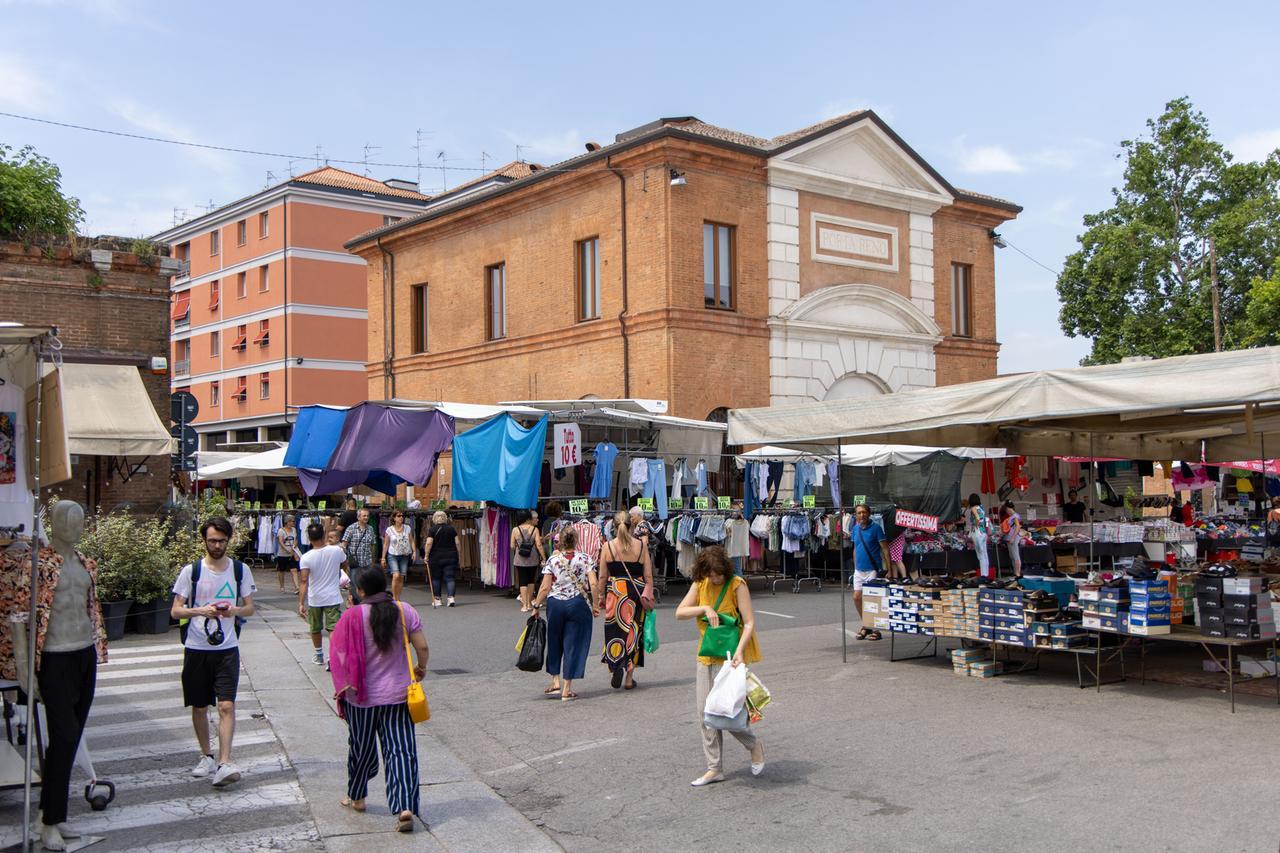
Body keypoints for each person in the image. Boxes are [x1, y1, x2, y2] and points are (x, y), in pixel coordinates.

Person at [328, 568, 428, 833]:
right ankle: (405, 806)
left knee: (360, 748)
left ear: (360, 591)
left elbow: (337, 653)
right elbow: (423, 647)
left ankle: (357, 797)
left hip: (361, 697)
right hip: (398, 696)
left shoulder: (351, 616)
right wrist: (421, 668)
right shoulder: (404, 610)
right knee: (401, 751)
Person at [33, 501, 107, 851]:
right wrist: (23, 669)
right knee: (62, 736)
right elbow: (22, 617)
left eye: (80, 519)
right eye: (68, 519)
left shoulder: (84, 563)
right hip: (54, 657)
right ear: (55, 523)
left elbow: (91, 609)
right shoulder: (39, 565)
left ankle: (51, 814)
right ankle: (49, 821)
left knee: (71, 738)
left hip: (83, 653)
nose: (75, 525)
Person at [170, 516, 257, 789]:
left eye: (221, 540)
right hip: (196, 646)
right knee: (199, 704)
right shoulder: (191, 571)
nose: (216, 545)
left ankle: (225, 761)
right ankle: (206, 755)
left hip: (227, 647)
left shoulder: (240, 570)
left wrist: (233, 611)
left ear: (228, 540)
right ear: (204, 540)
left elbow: (250, 608)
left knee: (226, 705)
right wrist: (201, 610)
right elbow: (175, 610)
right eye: (211, 540)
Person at [675, 546, 765, 788]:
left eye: (718, 575)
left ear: (725, 570)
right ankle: (714, 768)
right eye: (711, 575)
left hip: (731, 656)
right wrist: (704, 608)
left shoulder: (737, 584)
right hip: (706, 655)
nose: (715, 579)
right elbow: (680, 612)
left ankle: (753, 745)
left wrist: (739, 652)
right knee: (705, 713)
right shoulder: (700, 583)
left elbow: (749, 622)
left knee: (728, 711)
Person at [532, 528, 599, 701]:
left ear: (559, 541)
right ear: (576, 541)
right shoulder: (585, 558)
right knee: (573, 643)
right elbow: (593, 582)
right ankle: (567, 688)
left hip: (555, 604)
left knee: (554, 640)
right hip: (577, 603)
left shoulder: (552, 560)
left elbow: (545, 587)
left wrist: (536, 605)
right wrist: (596, 604)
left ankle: (555, 681)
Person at [596, 510, 654, 690]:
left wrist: (600, 596)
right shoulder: (641, 546)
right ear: (632, 526)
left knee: (615, 631)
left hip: (616, 592)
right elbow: (648, 576)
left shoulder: (608, 546)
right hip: (636, 592)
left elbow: (603, 576)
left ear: (614, 526)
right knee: (634, 632)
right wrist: (648, 594)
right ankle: (629, 677)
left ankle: (616, 665)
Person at [299, 522, 349, 667]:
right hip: (333, 596)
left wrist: (301, 603)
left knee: (315, 628)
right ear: (324, 535)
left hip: (315, 598)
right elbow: (345, 563)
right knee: (333, 628)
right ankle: (331, 657)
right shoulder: (337, 551)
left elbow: (303, 581)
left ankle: (319, 654)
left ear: (309, 538)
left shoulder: (306, 557)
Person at [848, 504, 888, 641]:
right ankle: (866, 625)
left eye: (864, 512)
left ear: (869, 513)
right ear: (856, 515)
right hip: (859, 570)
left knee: (872, 600)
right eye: (859, 513)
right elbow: (855, 548)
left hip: (872, 569)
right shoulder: (855, 529)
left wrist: (888, 570)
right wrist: (855, 564)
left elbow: (885, 549)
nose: (862, 515)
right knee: (857, 597)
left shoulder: (876, 528)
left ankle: (876, 629)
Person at [511, 510, 546, 613]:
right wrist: (543, 557)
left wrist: (519, 546)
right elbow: (539, 545)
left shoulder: (515, 530)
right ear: (528, 518)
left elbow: (512, 546)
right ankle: (530, 604)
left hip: (520, 558)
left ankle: (525, 605)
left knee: (522, 581)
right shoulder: (534, 529)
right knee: (531, 580)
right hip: (533, 558)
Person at [422, 510, 459, 608]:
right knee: (450, 577)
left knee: (436, 578)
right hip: (451, 556)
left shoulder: (432, 529)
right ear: (445, 518)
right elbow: (457, 542)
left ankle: (437, 599)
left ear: (434, 519)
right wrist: (458, 552)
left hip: (436, 557)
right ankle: (451, 598)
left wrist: (426, 555)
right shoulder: (451, 529)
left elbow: (429, 543)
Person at [381, 510, 416, 601]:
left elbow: (411, 540)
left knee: (401, 577)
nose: (401, 517)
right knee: (396, 575)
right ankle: (394, 597)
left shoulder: (407, 528)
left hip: (405, 555)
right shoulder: (389, 530)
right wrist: (383, 558)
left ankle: (398, 598)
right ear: (394, 518)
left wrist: (414, 552)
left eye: (402, 516)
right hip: (393, 555)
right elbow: (386, 544)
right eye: (399, 516)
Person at [341, 508, 378, 577]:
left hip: (367, 563)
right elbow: (344, 546)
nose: (366, 517)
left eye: (367, 516)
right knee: (355, 585)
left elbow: (372, 545)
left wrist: (373, 561)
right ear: (358, 517)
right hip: (355, 564)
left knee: (366, 585)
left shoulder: (370, 529)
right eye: (364, 516)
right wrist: (345, 563)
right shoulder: (351, 528)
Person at [965, 493, 993, 579]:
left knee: (980, 555)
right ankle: (986, 574)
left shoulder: (973, 508)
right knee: (985, 554)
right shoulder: (981, 508)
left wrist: (976, 525)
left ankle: (983, 575)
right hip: (984, 532)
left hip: (977, 533)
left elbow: (977, 518)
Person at [275, 515, 301, 593]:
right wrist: (286, 549)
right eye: (292, 521)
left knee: (294, 570)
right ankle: (282, 586)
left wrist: (295, 545)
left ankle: (297, 587)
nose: (293, 523)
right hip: (282, 554)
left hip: (292, 553)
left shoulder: (294, 530)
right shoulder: (281, 530)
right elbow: (280, 541)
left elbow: (296, 539)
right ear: (287, 522)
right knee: (281, 570)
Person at [1000, 501, 1023, 576]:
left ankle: (1017, 573)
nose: (1007, 511)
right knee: (1012, 556)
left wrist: (1013, 538)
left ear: (1009, 508)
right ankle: (1015, 572)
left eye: (1006, 509)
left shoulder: (1015, 516)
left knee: (1015, 556)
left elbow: (1017, 526)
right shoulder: (1011, 516)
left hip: (1013, 538)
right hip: (1009, 538)